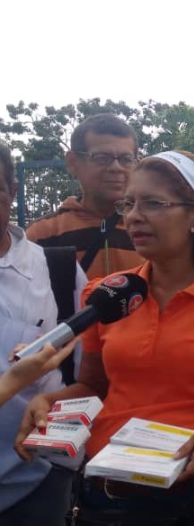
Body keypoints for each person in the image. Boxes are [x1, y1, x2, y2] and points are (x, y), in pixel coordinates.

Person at [16, 151, 194, 525]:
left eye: (152, 203)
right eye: (128, 203)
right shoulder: (106, 295)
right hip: (108, 497)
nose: (132, 216)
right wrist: (49, 400)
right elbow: (95, 386)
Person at [0, 141, 81, 525]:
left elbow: (86, 373)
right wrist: (13, 380)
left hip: (37, 483)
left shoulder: (56, 269)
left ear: (12, 192)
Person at [27, 113, 145, 279]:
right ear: (73, 162)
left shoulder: (150, 229)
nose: (116, 168)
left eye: (126, 159)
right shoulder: (43, 233)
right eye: (102, 158)